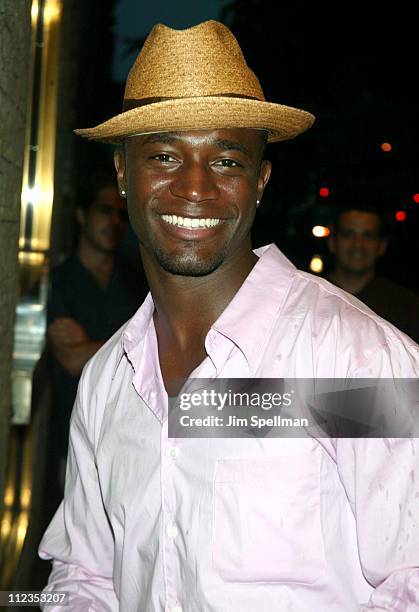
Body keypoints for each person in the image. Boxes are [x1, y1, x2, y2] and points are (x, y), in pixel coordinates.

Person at [39, 20, 419, 611]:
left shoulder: (354, 360)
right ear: (121, 173)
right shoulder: (108, 380)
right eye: (165, 155)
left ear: (261, 181)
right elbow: (86, 575)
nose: (196, 187)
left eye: (227, 162)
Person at [46, 170, 144, 498]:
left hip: (131, 439)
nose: (114, 222)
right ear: (81, 215)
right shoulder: (59, 282)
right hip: (75, 443)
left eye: (121, 214)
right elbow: (72, 360)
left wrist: (91, 344)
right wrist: (135, 338)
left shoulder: (136, 283)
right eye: (104, 211)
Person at [328, 204, 419, 342]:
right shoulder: (311, 295)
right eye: (348, 234)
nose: (358, 245)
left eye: (368, 236)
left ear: (382, 245)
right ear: (332, 242)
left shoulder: (405, 305)